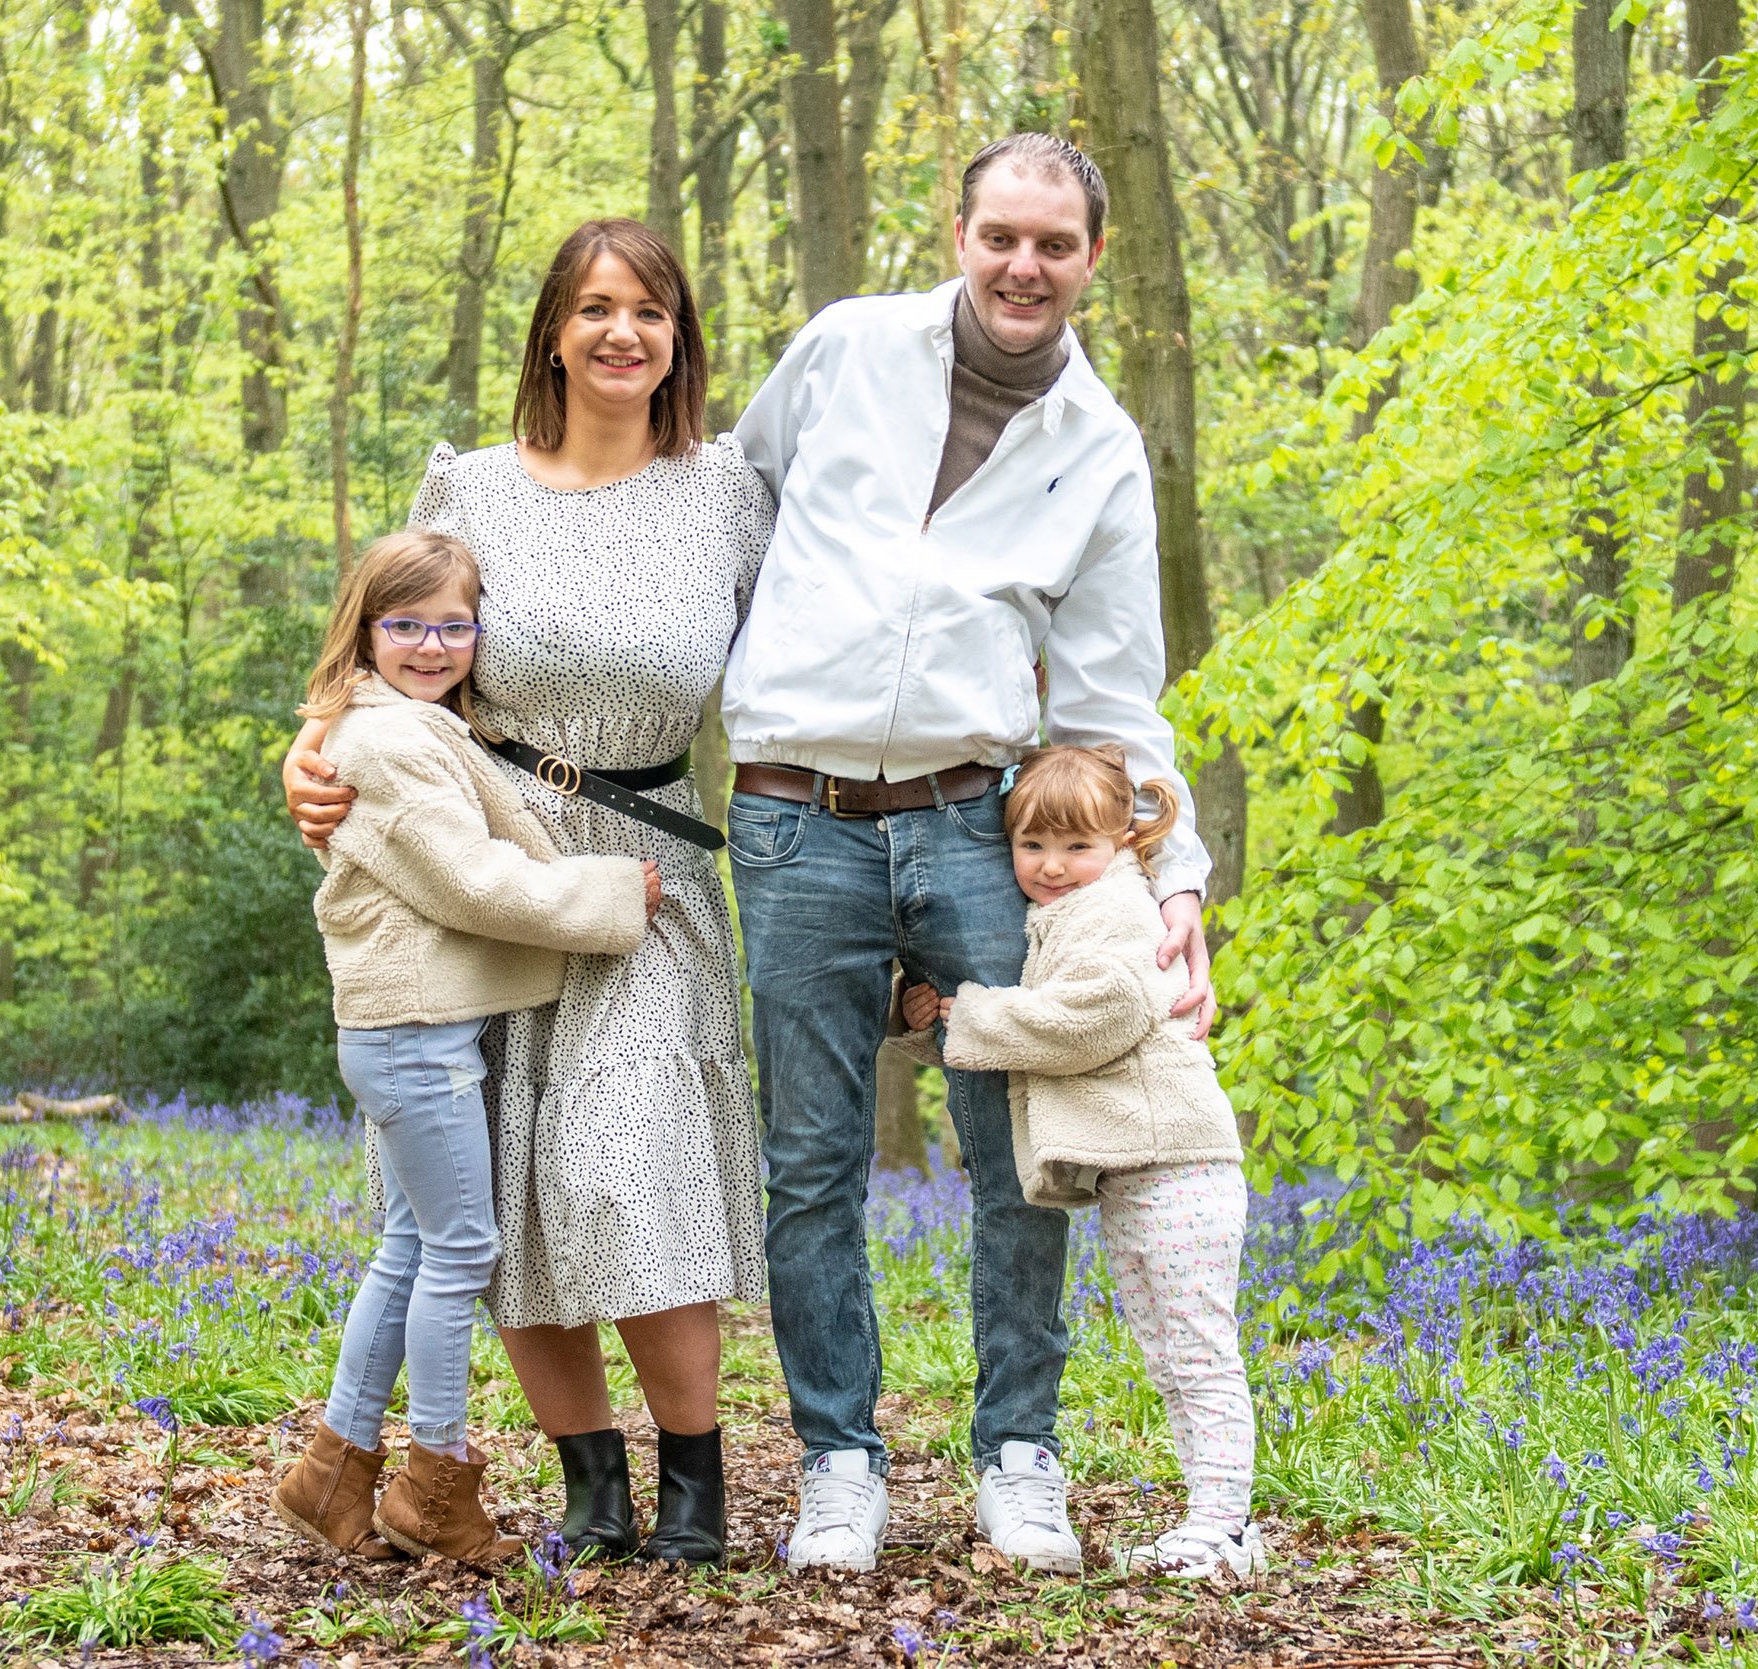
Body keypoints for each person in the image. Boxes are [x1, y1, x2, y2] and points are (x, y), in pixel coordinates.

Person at [725, 131, 1217, 1574]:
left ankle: (1019, 1453)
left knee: (1021, 1142)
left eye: (1054, 245)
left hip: (973, 820)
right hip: (789, 809)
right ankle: (837, 1461)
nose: (1024, 265)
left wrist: (1172, 875)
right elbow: (731, 521)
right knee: (811, 1158)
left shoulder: (1103, 448)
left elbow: (1117, 699)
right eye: (1002, 234)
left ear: (1091, 262)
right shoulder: (843, 351)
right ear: (959, 232)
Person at [282, 219, 772, 1567]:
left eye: (651, 313)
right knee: (500, 1188)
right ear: (552, 330)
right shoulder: (473, 486)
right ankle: (588, 1494)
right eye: (597, 308)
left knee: (628, 1165)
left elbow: (805, 662)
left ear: (682, 338)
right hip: (477, 849)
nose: (625, 335)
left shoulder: (727, 491)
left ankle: (696, 1492)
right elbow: (381, 642)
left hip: (648, 861)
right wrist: (305, 752)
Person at [271, 528, 661, 1567]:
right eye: (408, 625)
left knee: (408, 1248)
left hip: (410, 1029)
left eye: (454, 625)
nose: (434, 645)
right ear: (365, 631)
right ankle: (435, 1484)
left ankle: (334, 1467)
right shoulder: (390, 742)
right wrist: (615, 894)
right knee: (457, 1253)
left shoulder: (402, 724)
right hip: (413, 1035)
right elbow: (474, 881)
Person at [897, 745, 1261, 1581]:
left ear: (1123, 844)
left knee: (1198, 1350)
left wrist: (974, 1012)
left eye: (1075, 847)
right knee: (1171, 1351)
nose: (1052, 867)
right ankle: (1215, 1521)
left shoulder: (1119, 908)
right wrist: (933, 1023)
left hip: (1180, 1159)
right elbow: (1028, 1032)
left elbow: (1093, 1018)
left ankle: (1226, 1528)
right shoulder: (1066, 913)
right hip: (1141, 1169)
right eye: (1031, 847)